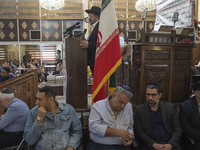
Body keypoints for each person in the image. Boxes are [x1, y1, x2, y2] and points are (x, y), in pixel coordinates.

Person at [23, 86, 82, 150]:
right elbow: (29, 140)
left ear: (51, 99)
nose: (36, 102)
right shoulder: (33, 112)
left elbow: (77, 132)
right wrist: (39, 119)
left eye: (40, 99)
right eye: (36, 98)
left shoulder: (68, 109)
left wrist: (71, 146)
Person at [134, 83, 181, 150]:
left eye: (153, 95)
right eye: (148, 94)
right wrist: (153, 144)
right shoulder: (140, 110)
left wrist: (171, 144)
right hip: (150, 145)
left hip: (169, 143)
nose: (150, 98)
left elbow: (177, 129)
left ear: (159, 95)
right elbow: (139, 132)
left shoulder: (169, 108)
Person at [87, 85, 134, 150]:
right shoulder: (98, 106)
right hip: (99, 146)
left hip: (121, 147)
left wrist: (129, 137)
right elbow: (93, 127)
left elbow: (130, 126)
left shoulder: (128, 106)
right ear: (114, 95)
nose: (123, 106)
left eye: (125, 103)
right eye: (121, 102)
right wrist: (116, 132)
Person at [179, 75, 200, 150]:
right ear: (195, 92)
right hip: (195, 140)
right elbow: (186, 128)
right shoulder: (185, 106)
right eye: (199, 91)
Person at [80, 6, 101, 74]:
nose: (89, 18)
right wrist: (87, 41)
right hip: (93, 61)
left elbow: (102, 43)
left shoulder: (100, 27)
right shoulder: (93, 27)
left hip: (97, 61)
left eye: (90, 16)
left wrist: (88, 44)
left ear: (97, 17)